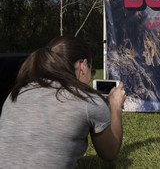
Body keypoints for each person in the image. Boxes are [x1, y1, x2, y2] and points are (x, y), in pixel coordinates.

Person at [0, 35, 126, 168]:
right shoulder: (88, 100)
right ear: (83, 66)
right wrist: (115, 106)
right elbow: (110, 153)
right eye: (91, 68)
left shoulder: (17, 93)